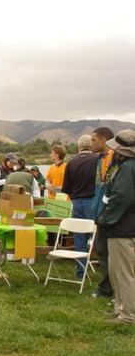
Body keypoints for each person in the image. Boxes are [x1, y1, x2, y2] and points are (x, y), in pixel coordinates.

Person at [97, 129, 135, 324]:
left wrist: (106, 218)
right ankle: (120, 308)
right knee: (116, 270)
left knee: (123, 272)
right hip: (122, 226)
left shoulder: (128, 167)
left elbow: (122, 197)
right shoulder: (127, 166)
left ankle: (128, 314)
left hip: (123, 227)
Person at [62, 135, 98, 278]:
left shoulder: (71, 163)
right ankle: (104, 271)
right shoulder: (97, 160)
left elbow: (66, 188)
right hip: (93, 200)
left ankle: (81, 272)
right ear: (91, 146)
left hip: (76, 202)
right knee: (97, 236)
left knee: (79, 237)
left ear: (79, 147)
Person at [90, 127, 117, 298]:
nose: (91, 143)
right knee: (102, 251)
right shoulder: (99, 159)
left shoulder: (117, 159)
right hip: (99, 213)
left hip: (112, 214)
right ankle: (106, 287)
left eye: (93, 140)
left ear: (104, 139)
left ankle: (114, 289)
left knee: (114, 254)